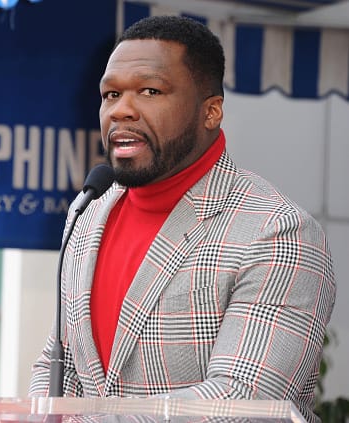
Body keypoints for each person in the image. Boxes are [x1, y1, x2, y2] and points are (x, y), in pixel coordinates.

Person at [28, 15, 336, 423]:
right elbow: (59, 362)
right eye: (111, 95)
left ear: (211, 112)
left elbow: (240, 403)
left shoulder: (277, 232)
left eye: (150, 91)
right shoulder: (88, 214)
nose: (122, 110)